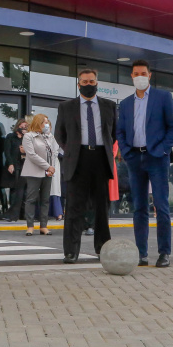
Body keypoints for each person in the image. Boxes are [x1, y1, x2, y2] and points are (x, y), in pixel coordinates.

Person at [117, 60, 173, 267]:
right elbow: (120, 131)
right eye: (136, 74)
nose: (140, 77)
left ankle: (164, 253)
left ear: (150, 75)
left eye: (143, 73)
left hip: (157, 158)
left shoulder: (163, 97)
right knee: (139, 208)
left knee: (161, 206)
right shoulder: (126, 103)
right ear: (131, 76)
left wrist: (163, 150)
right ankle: (141, 254)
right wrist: (126, 152)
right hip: (135, 158)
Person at [55, 68, 116, 263]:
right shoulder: (66, 107)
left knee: (101, 207)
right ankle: (71, 251)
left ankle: (103, 248)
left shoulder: (109, 106)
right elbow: (59, 134)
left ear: (97, 83)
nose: (88, 85)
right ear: (78, 84)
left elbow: (114, 133)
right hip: (78, 159)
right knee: (74, 207)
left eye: (91, 82)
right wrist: (72, 150)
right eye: (84, 82)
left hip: (100, 158)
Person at [21, 113, 58, 236]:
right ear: (39, 123)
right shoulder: (29, 136)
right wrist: (47, 166)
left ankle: (43, 226)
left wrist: (51, 168)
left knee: (45, 199)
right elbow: (31, 155)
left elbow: (53, 153)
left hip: (47, 172)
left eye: (47, 122)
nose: (47, 125)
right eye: (45, 122)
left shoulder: (48, 136)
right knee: (31, 199)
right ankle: (30, 226)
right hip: (34, 172)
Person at [3, 119, 27, 221]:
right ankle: (11, 214)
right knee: (14, 190)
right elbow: (7, 151)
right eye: (22, 126)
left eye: (26, 127)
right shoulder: (10, 137)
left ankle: (22, 213)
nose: (24, 128)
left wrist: (24, 151)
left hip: (23, 166)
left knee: (23, 191)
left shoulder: (26, 138)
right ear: (18, 126)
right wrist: (10, 163)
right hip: (13, 166)